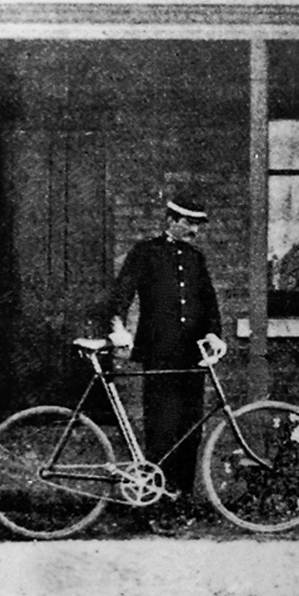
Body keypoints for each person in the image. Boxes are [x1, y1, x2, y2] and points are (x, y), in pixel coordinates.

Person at [107, 195, 228, 509]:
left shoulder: (195, 258)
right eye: (188, 223)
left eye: (198, 224)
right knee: (161, 427)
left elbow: (208, 302)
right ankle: (156, 500)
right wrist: (118, 326)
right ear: (171, 219)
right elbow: (123, 292)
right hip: (160, 352)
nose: (194, 231)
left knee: (191, 427)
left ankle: (182, 498)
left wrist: (214, 333)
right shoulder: (146, 252)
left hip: (192, 355)